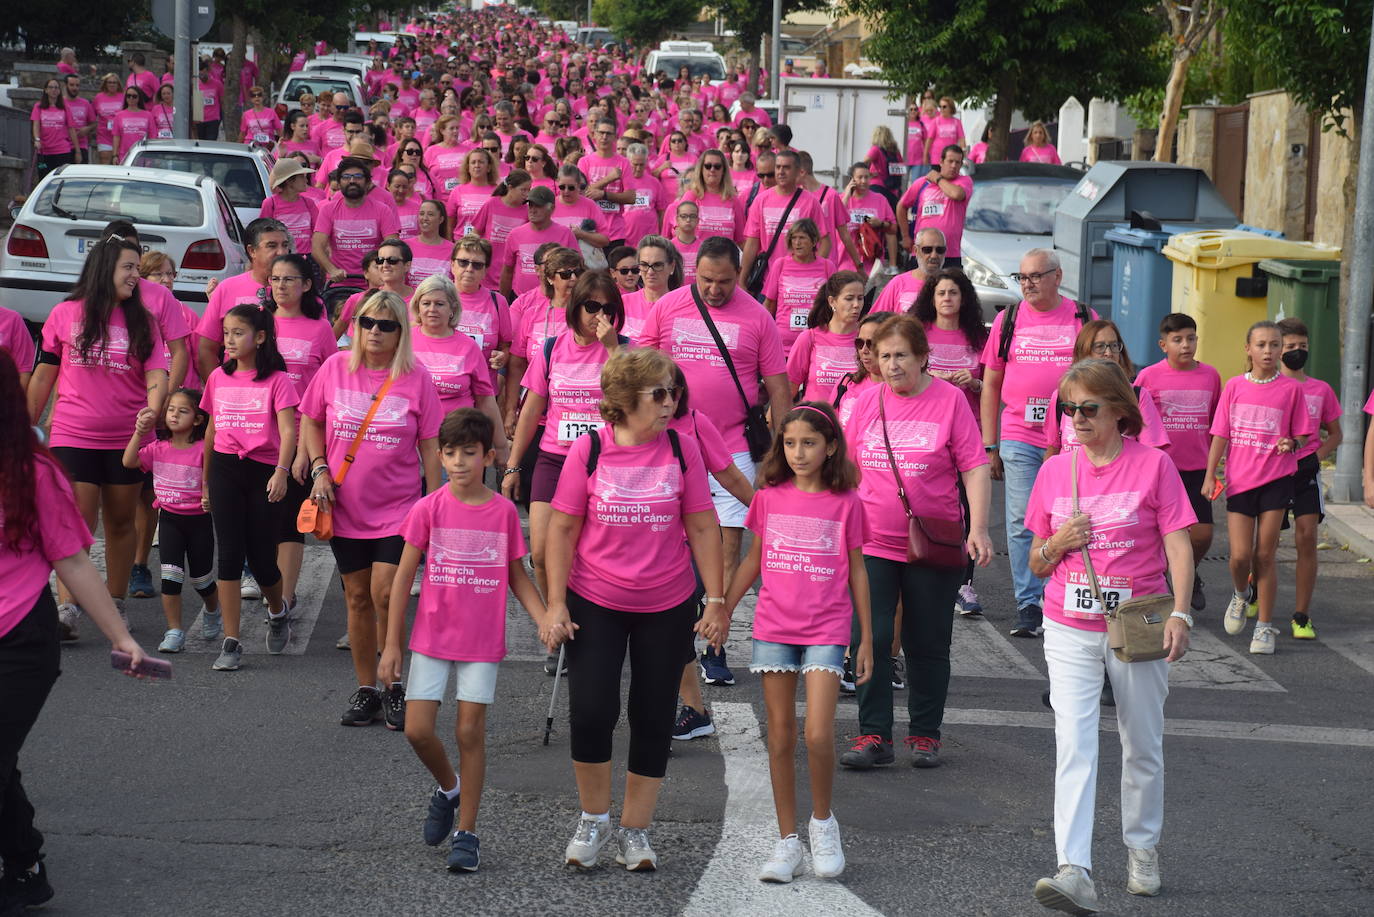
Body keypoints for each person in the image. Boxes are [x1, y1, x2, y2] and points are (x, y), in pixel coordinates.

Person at [544, 348, 726, 872]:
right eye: (660, 394)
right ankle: (594, 819)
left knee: (653, 717)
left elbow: (701, 525)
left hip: (666, 602)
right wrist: (556, 602)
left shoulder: (682, 446)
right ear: (625, 401)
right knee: (594, 710)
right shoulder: (590, 450)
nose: (671, 403)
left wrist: (714, 599)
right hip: (594, 600)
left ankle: (635, 831)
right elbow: (561, 527)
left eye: (675, 392)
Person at [1025, 358, 1196, 914]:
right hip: (1068, 624)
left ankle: (1142, 846)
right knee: (1074, 743)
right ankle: (1074, 868)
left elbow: (1178, 542)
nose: (1076, 417)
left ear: (1120, 411)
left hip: (1138, 622)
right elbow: (1035, 560)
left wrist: (1182, 614)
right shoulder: (1055, 471)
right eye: (1068, 408)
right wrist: (1058, 544)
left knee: (1140, 742)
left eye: (1088, 408)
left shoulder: (1154, 467)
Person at [0, 350, 148, 916]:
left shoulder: (33, 472)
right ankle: (24, 862)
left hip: (19, 640)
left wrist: (121, 637)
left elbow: (75, 562)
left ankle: (22, 863)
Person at [380, 409, 550, 873]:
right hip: (431, 636)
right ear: (439, 455)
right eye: (450, 453)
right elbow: (401, 580)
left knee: (469, 732)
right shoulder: (428, 507)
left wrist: (544, 619)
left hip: (481, 640)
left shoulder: (502, 513)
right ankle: (449, 789)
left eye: (469, 453)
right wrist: (392, 644)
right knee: (416, 730)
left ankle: (468, 833)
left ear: (489, 457)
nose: (458, 462)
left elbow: (517, 576)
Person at [723, 402, 872, 883]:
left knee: (818, 734)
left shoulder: (846, 501)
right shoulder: (768, 497)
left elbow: (858, 571)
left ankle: (823, 823)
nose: (798, 452)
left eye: (809, 443)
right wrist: (722, 608)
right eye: (789, 443)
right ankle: (787, 841)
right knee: (782, 734)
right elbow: (753, 561)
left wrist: (867, 638)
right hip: (773, 627)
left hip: (828, 629)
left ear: (830, 446)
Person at [838, 315, 992, 770]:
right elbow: (844, 474)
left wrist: (978, 528)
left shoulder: (949, 401)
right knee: (872, 634)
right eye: (883, 356)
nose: (891, 365)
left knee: (927, 642)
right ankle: (873, 734)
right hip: (871, 542)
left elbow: (974, 466)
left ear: (924, 357)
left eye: (900, 355)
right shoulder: (865, 401)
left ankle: (925, 734)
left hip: (934, 543)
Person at [637, 237, 791, 681]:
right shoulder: (667, 307)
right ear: (693, 272)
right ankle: (674, 629)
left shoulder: (757, 316)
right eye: (706, 280)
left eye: (724, 281)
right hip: (670, 444)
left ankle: (715, 644)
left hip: (733, 446)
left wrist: (780, 455)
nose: (714, 289)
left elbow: (778, 388)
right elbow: (641, 368)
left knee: (727, 545)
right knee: (672, 540)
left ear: (738, 274)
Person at [302, 291, 443, 728]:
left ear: (402, 332)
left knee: (386, 593)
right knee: (358, 598)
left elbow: (432, 448)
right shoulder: (333, 369)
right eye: (367, 323)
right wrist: (319, 467)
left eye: (386, 325)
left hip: (399, 508)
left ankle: (394, 685)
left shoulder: (417, 378)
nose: (375, 332)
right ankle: (367, 690)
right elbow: (310, 418)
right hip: (344, 506)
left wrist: (434, 507)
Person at [28, 236, 169, 638]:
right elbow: (44, 375)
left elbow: (157, 373)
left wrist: (153, 408)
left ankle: (115, 601)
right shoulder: (66, 313)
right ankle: (68, 607)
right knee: (77, 521)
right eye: (128, 267)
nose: (135, 275)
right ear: (104, 269)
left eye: (137, 268)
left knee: (122, 521)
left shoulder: (143, 320)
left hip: (127, 440)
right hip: (72, 434)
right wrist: (23, 426)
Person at [981, 249, 1097, 637]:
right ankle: (1029, 603)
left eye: (1035, 276)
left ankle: (1057, 596)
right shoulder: (1007, 320)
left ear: (1057, 276)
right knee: (1020, 520)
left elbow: (1101, 373)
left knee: (1066, 517)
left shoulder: (1082, 318)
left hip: (1071, 437)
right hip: (1018, 435)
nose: (1027, 283)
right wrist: (990, 444)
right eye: (1022, 276)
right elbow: (992, 383)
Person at [504, 269, 626, 602]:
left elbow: (635, 399)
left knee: (592, 554)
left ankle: (585, 615)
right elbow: (532, 410)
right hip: (554, 458)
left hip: (605, 462)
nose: (599, 316)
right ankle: (556, 613)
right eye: (591, 306)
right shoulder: (552, 348)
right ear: (574, 307)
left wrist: (613, 349)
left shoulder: (626, 350)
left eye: (608, 309)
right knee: (541, 553)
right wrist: (513, 465)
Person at [1203, 321, 1316, 655]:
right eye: (1262, 345)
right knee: (1240, 557)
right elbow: (1220, 434)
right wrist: (1210, 474)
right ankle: (1241, 595)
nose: (1269, 351)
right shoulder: (1235, 386)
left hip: (1277, 479)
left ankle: (1265, 627)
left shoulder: (1292, 389)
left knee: (1264, 555)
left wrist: (1291, 443)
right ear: (1248, 349)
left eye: (1275, 345)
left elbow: (1305, 434)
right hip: (1240, 480)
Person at [200, 304, 299, 671]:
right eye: (226, 332)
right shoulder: (217, 378)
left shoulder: (277, 380)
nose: (229, 339)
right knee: (227, 554)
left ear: (259, 338)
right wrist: (205, 483)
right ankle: (232, 641)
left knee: (261, 560)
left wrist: (282, 471)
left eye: (237, 333)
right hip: (225, 470)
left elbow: (289, 431)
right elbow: (210, 433)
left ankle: (277, 611)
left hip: (264, 471)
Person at [264, 253, 339, 611]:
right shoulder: (259, 323)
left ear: (307, 285)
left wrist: (308, 452)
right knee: (257, 524)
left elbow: (326, 392)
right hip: (256, 438)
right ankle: (267, 582)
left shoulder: (320, 328)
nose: (280, 286)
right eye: (275, 279)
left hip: (298, 441)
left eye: (289, 279)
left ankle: (285, 598)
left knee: (288, 523)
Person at [912, 269, 989, 616]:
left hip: (968, 429)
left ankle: (965, 585)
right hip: (924, 433)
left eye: (953, 293)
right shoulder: (919, 334)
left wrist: (973, 384)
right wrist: (933, 378)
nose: (947, 299)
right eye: (941, 293)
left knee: (968, 507)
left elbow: (995, 386)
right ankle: (927, 570)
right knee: (930, 503)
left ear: (964, 299)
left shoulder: (977, 337)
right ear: (932, 297)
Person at [121, 390, 219, 653]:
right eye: (171, 410)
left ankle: (213, 609)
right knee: (170, 578)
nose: (174, 415)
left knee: (201, 580)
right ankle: (174, 630)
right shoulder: (157, 448)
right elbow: (129, 461)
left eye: (182, 411)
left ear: (198, 420)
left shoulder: (204, 451)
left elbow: (218, 482)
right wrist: (139, 433)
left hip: (199, 523)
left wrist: (211, 498)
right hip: (170, 522)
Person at [1135, 313, 1221, 613]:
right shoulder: (1148, 377)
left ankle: (1189, 572)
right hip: (1160, 469)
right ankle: (1162, 579)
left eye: (1191, 338)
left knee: (1202, 533)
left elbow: (1217, 423)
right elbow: (1138, 421)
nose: (1186, 345)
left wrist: (1217, 466)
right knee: (1157, 532)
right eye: (1178, 340)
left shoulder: (1211, 376)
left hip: (1197, 468)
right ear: (1163, 344)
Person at [1275, 317, 1341, 639]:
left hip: (1306, 471)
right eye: (1290, 347)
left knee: (1306, 539)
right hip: (1272, 472)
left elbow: (1335, 433)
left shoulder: (1321, 389)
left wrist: (1318, 454)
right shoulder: (1268, 387)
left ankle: (1301, 615)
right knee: (1266, 543)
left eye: (1302, 346)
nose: (1297, 352)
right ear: (1277, 350)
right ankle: (1252, 589)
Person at [409, 275, 505, 444]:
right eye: (426, 303)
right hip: (411, 439)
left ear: (452, 308)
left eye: (439, 304)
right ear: (417, 306)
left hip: (457, 439)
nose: (432, 309)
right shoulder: (403, 340)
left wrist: (501, 446)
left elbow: (485, 400)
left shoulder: (469, 346)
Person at [197, 218, 293, 382]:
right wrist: (216, 392)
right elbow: (206, 349)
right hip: (236, 395)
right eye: (272, 246)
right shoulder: (227, 288)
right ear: (252, 251)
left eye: (285, 245)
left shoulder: (301, 291)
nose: (281, 252)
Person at [740, 150, 827, 282]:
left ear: (798, 171)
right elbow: (752, 243)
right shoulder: (760, 200)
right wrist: (742, 278)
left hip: (799, 281)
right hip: (767, 280)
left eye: (786, 167)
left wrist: (812, 271)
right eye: (778, 167)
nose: (781, 171)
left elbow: (825, 242)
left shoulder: (810, 201)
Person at [313, 157, 403, 285]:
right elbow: (317, 247)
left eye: (358, 176)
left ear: (367, 183)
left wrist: (380, 272)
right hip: (340, 284)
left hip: (374, 284)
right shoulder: (328, 210)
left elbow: (393, 247)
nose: (352, 181)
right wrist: (332, 270)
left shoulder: (383, 210)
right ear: (338, 183)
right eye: (346, 177)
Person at [787, 271, 864, 406]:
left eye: (860, 298)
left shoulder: (866, 340)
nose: (856, 304)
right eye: (849, 298)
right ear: (832, 301)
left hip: (852, 423)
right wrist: (772, 424)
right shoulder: (810, 338)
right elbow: (788, 390)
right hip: (814, 422)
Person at [762, 219, 834, 358]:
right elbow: (769, 304)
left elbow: (835, 305)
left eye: (802, 238)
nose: (797, 242)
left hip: (816, 342)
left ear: (814, 241)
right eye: (793, 238)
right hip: (783, 345)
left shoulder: (827, 267)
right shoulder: (780, 264)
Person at [448, 234, 512, 390]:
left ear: (485, 271)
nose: (469, 269)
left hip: (483, 390)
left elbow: (506, 345)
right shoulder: (437, 296)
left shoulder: (498, 302)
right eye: (463, 262)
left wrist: (503, 357)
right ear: (452, 265)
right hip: (444, 390)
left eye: (477, 265)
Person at [896, 145, 971, 270]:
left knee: (948, 288)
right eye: (950, 161)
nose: (953, 166)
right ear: (941, 162)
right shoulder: (922, 183)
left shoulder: (964, 181)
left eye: (958, 162)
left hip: (949, 253)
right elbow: (901, 206)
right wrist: (905, 236)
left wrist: (938, 178)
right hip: (923, 251)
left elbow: (956, 194)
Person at [500, 186, 578, 299]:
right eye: (530, 205)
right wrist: (503, 302)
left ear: (551, 208)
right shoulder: (515, 234)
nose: (533, 209)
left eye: (538, 206)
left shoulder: (565, 234)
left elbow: (576, 269)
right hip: (521, 299)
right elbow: (507, 272)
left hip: (556, 299)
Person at [471, 170, 533, 289]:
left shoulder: (527, 211)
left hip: (511, 275)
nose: (526, 194)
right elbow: (475, 234)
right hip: (487, 272)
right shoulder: (491, 203)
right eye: (523, 190)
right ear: (510, 187)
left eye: (528, 190)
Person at [668, 148, 743, 244]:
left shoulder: (733, 200)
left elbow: (741, 240)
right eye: (707, 166)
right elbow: (678, 231)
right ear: (701, 170)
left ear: (723, 171)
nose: (712, 170)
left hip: (725, 257)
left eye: (717, 166)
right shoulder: (691, 196)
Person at [833, 311, 894, 426]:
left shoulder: (902, 390)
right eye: (860, 343)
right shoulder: (846, 382)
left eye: (871, 343)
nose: (864, 350)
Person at [838, 162, 898, 276]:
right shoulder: (841, 199)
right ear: (852, 180)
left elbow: (893, 229)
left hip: (871, 265)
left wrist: (880, 224)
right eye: (860, 177)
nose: (864, 181)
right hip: (844, 263)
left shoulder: (880, 199)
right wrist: (846, 196)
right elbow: (834, 221)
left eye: (867, 177)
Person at [873, 227, 946, 313]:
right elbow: (874, 321)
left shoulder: (953, 285)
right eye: (927, 250)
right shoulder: (898, 283)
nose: (934, 255)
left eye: (940, 250)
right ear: (915, 250)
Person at [259, 159, 319, 259]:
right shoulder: (270, 203)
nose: (306, 180)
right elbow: (263, 234)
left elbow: (317, 232)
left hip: (307, 258)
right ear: (289, 181)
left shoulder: (308, 203)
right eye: (302, 177)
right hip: (281, 257)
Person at [30, 78, 77, 184]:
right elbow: (36, 125)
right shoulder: (38, 107)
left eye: (56, 87)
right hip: (44, 151)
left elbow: (71, 129)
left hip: (62, 150)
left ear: (59, 91)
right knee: (44, 180)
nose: (54, 90)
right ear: (45, 90)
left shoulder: (65, 107)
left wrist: (77, 150)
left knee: (61, 180)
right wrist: (37, 139)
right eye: (51, 87)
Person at [446, 147, 500, 237]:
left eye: (481, 162)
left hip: (486, 246)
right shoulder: (457, 191)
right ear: (468, 167)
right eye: (473, 162)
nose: (477, 165)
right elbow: (449, 224)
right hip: (461, 244)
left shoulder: (498, 192)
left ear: (489, 167)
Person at [864, 125, 904, 207]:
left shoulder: (875, 149)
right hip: (893, 190)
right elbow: (902, 170)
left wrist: (869, 174)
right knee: (890, 218)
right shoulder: (896, 152)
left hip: (877, 187)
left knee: (874, 214)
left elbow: (863, 163)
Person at [112, 86, 154, 161]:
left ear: (139, 98)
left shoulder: (148, 115)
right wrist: (115, 155)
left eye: (134, 96)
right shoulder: (119, 115)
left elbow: (152, 136)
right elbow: (116, 137)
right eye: (128, 96)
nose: (131, 98)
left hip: (143, 155)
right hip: (124, 155)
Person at [62, 73, 96, 164]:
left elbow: (94, 123)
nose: (75, 88)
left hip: (81, 146)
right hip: (63, 146)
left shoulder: (85, 103)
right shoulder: (60, 103)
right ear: (65, 85)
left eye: (77, 85)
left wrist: (87, 129)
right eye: (72, 85)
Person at [92, 73, 124, 165]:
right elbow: (92, 115)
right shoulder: (99, 97)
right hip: (104, 136)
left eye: (114, 82)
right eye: (109, 82)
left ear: (118, 84)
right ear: (105, 84)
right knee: (104, 161)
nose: (112, 84)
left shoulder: (123, 97)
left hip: (120, 137)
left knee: (119, 163)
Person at [924, 97, 965, 165]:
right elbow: (929, 140)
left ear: (950, 107)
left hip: (952, 157)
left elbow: (962, 139)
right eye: (940, 106)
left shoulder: (957, 122)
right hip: (937, 157)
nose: (942, 109)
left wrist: (963, 155)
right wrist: (925, 155)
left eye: (944, 107)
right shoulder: (935, 121)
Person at [195, 59, 225, 141]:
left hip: (213, 119)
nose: (201, 75)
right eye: (199, 73)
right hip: (199, 119)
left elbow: (222, 101)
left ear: (208, 71)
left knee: (211, 141)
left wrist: (220, 118)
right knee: (201, 142)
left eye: (203, 72)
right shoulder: (195, 85)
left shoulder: (217, 84)